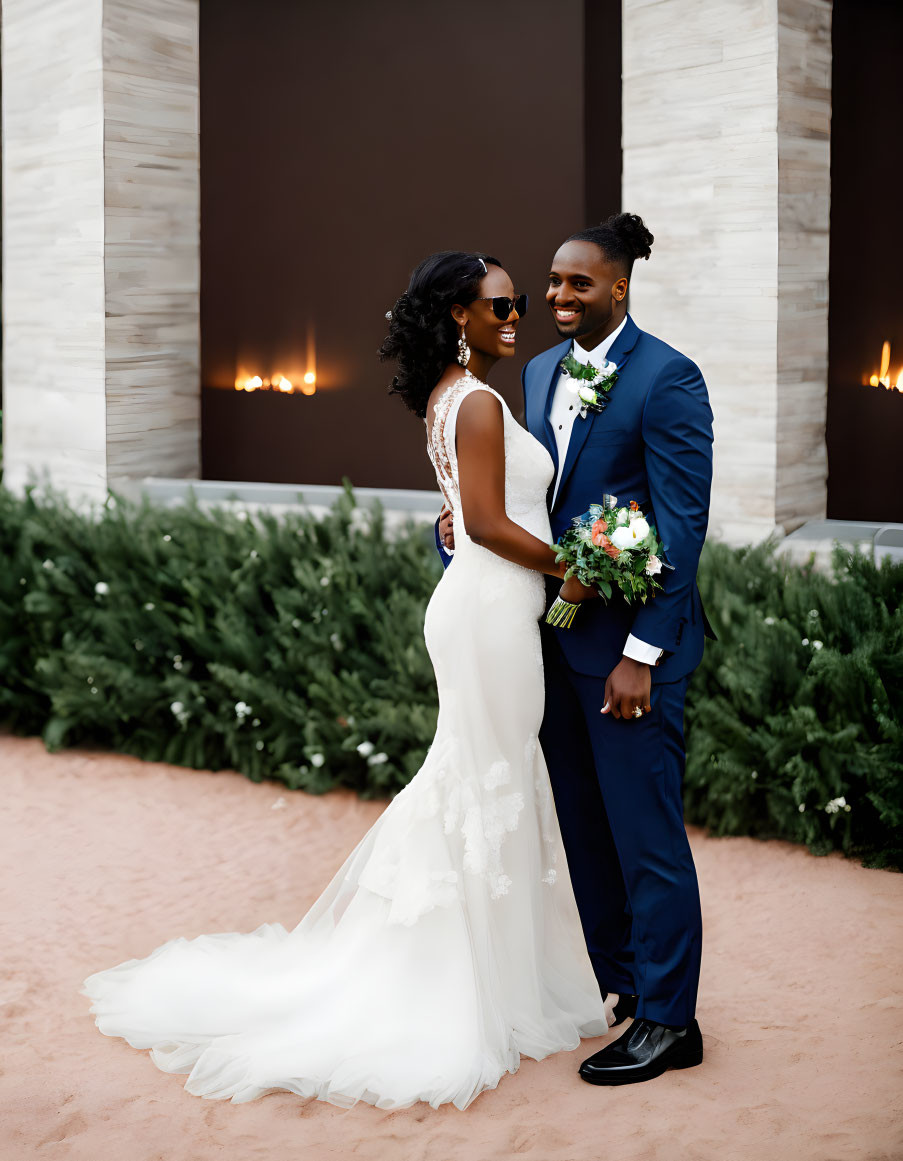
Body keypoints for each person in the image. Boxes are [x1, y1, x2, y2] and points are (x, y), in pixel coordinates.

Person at [81, 250, 617, 1112]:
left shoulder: (452, 396)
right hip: (489, 611)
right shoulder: (475, 400)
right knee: (487, 778)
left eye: (516, 301)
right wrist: (576, 568)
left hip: (484, 608)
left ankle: (490, 975)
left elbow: (468, 514)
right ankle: (457, 986)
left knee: (487, 777)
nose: (514, 313)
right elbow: (480, 522)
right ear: (455, 316)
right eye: (497, 304)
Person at [439, 213, 714, 1085]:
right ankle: (626, 992)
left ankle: (672, 1022)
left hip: (626, 657)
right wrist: (460, 532)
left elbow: (680, 529)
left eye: (576, 283)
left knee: (647, 838)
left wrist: (641, 651)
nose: (556, 296)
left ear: (619, 286)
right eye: (550, 283)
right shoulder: (541, 371)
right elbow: (528, 498)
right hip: (547, 647)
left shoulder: (669, 379)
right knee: (585, 835)